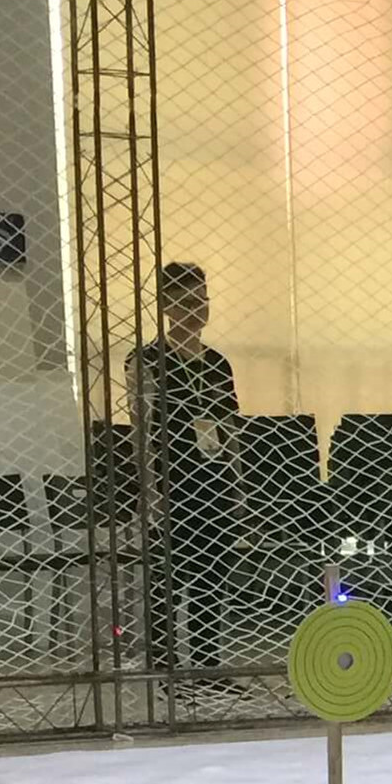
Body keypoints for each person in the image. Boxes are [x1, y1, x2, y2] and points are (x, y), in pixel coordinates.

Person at [130, 262, 242, 694]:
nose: (196, 311)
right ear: (166, 307)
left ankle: (208, 666)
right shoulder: (145, 360)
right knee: (170, 577)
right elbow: (141, 430)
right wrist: (149, 489)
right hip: (172, 477)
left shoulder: (217, 363)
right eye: (186, 302)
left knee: (211, 575)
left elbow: (229, 428)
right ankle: (166, 668)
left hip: (213, 477)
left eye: (202, 301)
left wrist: (237, 483)